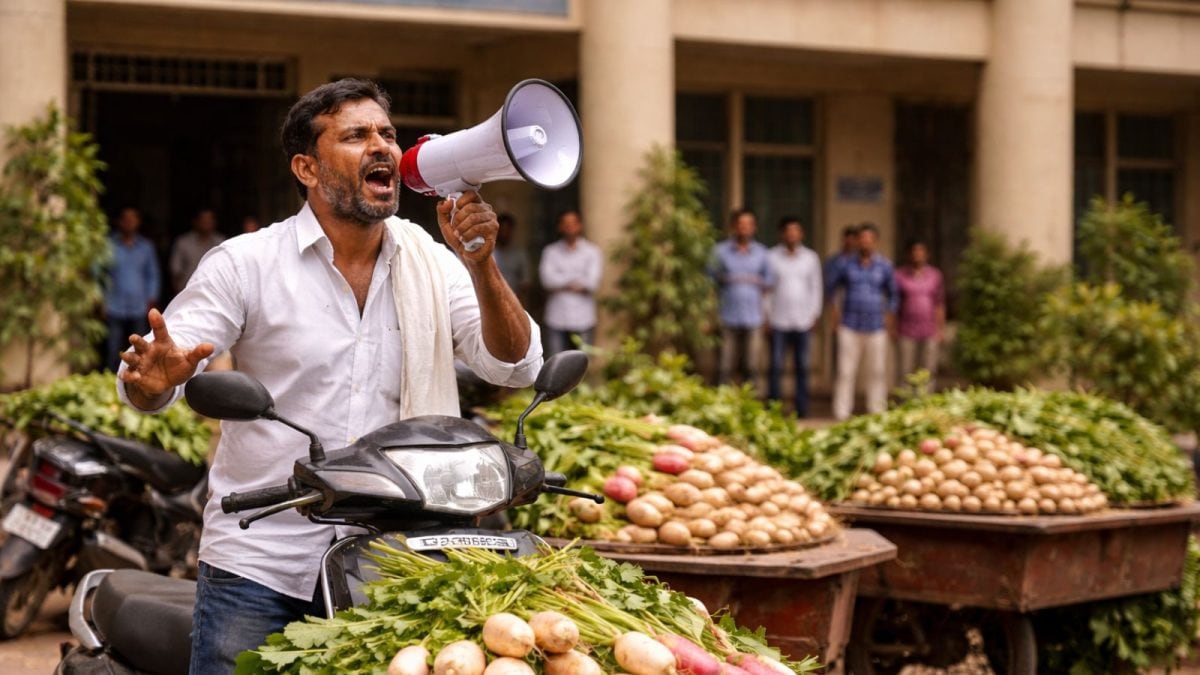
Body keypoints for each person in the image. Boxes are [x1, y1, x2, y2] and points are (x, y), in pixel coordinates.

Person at [114, 78, 541, 673]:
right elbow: (156, 375)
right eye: (357, 135)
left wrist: (481, 264)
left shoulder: (432, 262)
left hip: (401, 559)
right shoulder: (247, 263)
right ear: (307, 168)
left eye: (387, 134)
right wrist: (157, 380)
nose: (382, 147)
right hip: (262, 562)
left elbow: (513, 363)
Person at [826, 222, 897, 420]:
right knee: (846, 371)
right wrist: (835, 316)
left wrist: (889, 318)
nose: (865, 242)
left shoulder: (885, 265)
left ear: (875, 241)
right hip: (849, 324)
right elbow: (831, 291)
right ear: (857, 241)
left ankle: (876, 411)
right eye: (862, 238)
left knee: (876, 371)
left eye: (869, 239)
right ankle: (841, 412)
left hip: (876, 325)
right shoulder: (845, 264)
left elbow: (892, 295)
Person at [709, 208, 774, 387]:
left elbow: (768, 284)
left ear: (754, 228)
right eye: (740, 224)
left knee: (751, 365)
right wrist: (710, 315)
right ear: (733, 227)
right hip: (726, 315)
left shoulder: (762, 253)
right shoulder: (719, 252)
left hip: (754, 316)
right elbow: (709, 282)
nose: (744, 228)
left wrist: (767, 315)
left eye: (748, 225)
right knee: (724, 365)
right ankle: (721, 405)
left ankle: (748, 404)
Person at [765, 216, 822, 417]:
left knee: (802, 367)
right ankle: (774, 408)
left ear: (801, 234)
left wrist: (815, 314)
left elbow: (815, 288)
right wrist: (767, 316)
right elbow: (767, 290)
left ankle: (802, 409)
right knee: (776, 366)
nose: (792, 235)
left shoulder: (811, 258)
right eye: (788, 231)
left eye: (795, 231)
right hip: (778, 320)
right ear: (782, 234)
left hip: (803, 321)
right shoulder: (771, 257)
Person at [104, 207, 161, 371]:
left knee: (140, 345)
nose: (129, 223)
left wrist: (151, 297)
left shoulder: (146, 247)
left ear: (138, 222)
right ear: (120, 222)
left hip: (139, 304)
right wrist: (101, 299)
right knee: (113, 346)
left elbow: (153, 275)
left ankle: (138, 377)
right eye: (126, 219)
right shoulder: (109, 245)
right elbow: (99, 273)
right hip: (114, 303)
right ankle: (111, 378)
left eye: (133, 219)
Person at [538, 210, 602, 354]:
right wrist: (577, 278)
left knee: (583, 363)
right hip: (557, 317)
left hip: (584, 318)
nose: (569, 227)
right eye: (565, 224)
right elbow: (547, 281)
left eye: (573, 223)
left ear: (580, 226)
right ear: (559, 227)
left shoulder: (592, 252)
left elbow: (591, 283)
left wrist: (561, 279)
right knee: (557, 365)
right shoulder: (551, 251)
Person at [894, 239, 945, 388]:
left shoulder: (935, 275)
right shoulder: (899, 275)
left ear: (927, 255)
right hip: (906, 329)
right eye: (914, 252)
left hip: (929, 329)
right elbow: (894, 303)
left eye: (921, 252)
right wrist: (892, 327)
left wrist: (940, 329)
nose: (918, 255)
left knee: (928, 369)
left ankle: (925, 404)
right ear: (909, 255)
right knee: (906, 370)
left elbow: (939, 303)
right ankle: (906, 403)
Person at [169, 208, 226, 292]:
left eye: (209, 220)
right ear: (195, 222)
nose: (206, 223)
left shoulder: (221, 243)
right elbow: (176, 271)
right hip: (187, 293)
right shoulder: (183, 242)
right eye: (203, 220)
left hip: (215, 294)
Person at [493, 212, 530, 301]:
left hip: (513, 300)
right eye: (502, 230)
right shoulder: (487, 253)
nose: (504, 234)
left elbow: (525, 282)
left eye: (507, 230)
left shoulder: (519, 254)